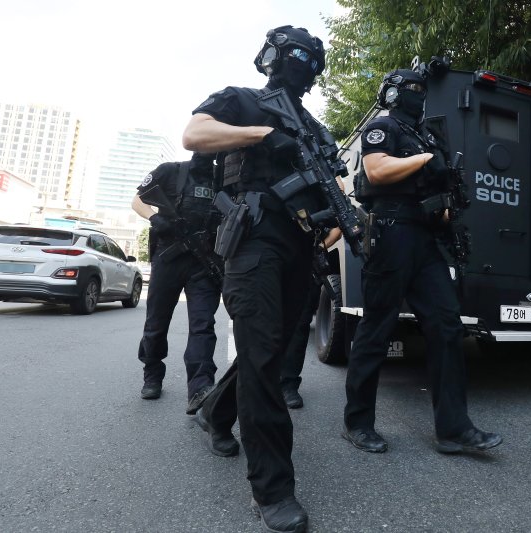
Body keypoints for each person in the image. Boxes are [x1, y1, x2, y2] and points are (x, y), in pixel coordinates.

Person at [182, 25, 332, 533]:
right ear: (270, 56)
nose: (303, 65)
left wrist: (338, 224)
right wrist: (263, 133)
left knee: (263, 349)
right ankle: (274, 488)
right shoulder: (242, 100)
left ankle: (215, 412)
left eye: (312, 59)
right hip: (254, 240)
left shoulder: (315, 128)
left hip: (300, 247)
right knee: (264, 354)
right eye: (296, 55)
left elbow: (327, 194)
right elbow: (194, 135)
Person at [342, 68, 503, 455]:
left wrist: (447, 217)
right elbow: (376, 170)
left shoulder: (427, 135)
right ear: (394, 93)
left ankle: (454, 429)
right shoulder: (384, 126)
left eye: (421, 89)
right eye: (409, 88)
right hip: (392, 232)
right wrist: (427, 160)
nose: (417, 94)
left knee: (447, 328)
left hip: (426, 238)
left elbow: (434, 189)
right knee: (377, 329)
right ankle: (358, 423)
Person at [131, 153, 222, 415]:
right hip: (168, 258)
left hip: (204, 263)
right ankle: (152, 375)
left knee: (203, 325)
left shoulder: (223, 179)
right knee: (156, 323)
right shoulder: (171, 171)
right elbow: (138, 200)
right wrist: (154, 218)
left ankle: (200, 387)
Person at [280, 225, 341, 409]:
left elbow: (339, 226)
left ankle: (288, 384)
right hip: (271, 259)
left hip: (305, 266)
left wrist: (318, 249)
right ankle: (260, 380)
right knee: (264, 323)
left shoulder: (320, 195)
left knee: (299, 326)